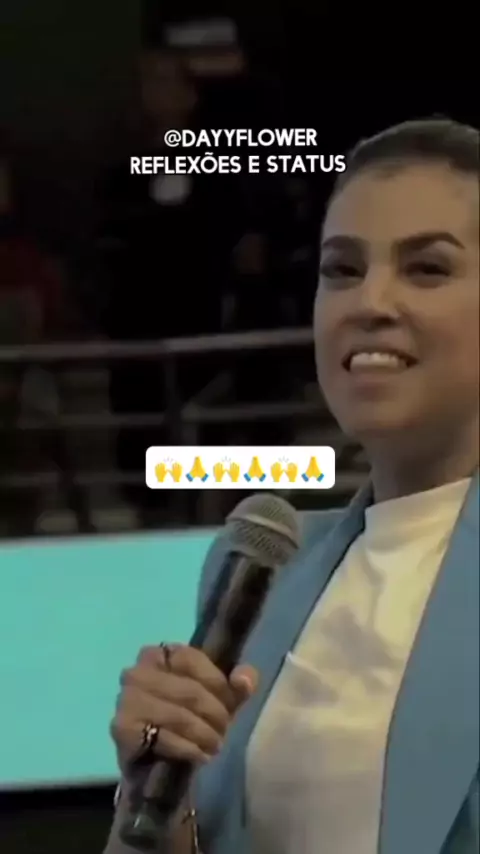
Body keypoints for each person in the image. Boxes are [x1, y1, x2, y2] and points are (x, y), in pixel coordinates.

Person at [103, 117, 479, 854]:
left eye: (427, 268)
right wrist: (152, 796)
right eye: (342, 270)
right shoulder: (261, 566)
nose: (370, 302)